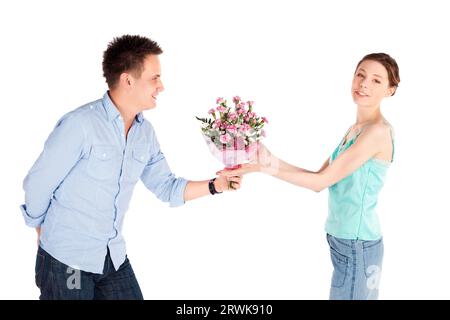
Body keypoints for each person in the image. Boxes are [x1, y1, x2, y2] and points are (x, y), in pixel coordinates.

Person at [20, 34, 242, 300]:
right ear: (128, 80)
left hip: (112, 257)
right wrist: (39, 227)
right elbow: (38, 181)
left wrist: (215, 186)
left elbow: (167, 187)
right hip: (68, 260)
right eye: (154, 78)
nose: (161, 86)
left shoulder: (144, 133)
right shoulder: (81, 125)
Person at [218, 53, 400, 300]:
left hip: (357, 244)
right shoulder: (356, 129)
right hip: (347, 241)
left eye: (376, 81)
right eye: (361, 75)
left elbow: (320, 183)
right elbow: (320, 176)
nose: (364, 84)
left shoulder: (377, 132)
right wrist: (264, 158)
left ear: (390, 90)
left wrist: (263, 168)